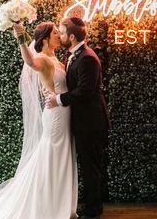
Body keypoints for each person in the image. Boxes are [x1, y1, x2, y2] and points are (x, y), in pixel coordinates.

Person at [0, 21, 78, 219]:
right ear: (46, 38)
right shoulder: (41, 59)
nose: (59, 35)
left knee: (61, 156)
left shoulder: (56, 58)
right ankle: (48, 206)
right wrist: (20, 37)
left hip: (63, 112)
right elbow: (30, 62)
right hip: (56, 117)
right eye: (55, 33)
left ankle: (59, 203)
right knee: (52, 157)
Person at [45, 17, 110, 219]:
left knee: (91, 166)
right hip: (82, 122)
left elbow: (85, 91)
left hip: (91, 122)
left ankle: (93, 210)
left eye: (62, 33)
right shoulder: (73, 55)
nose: (60, 36)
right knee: (88, 165)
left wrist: (59, 99)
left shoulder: (88, 58)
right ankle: (93, 205)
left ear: (71, 36)